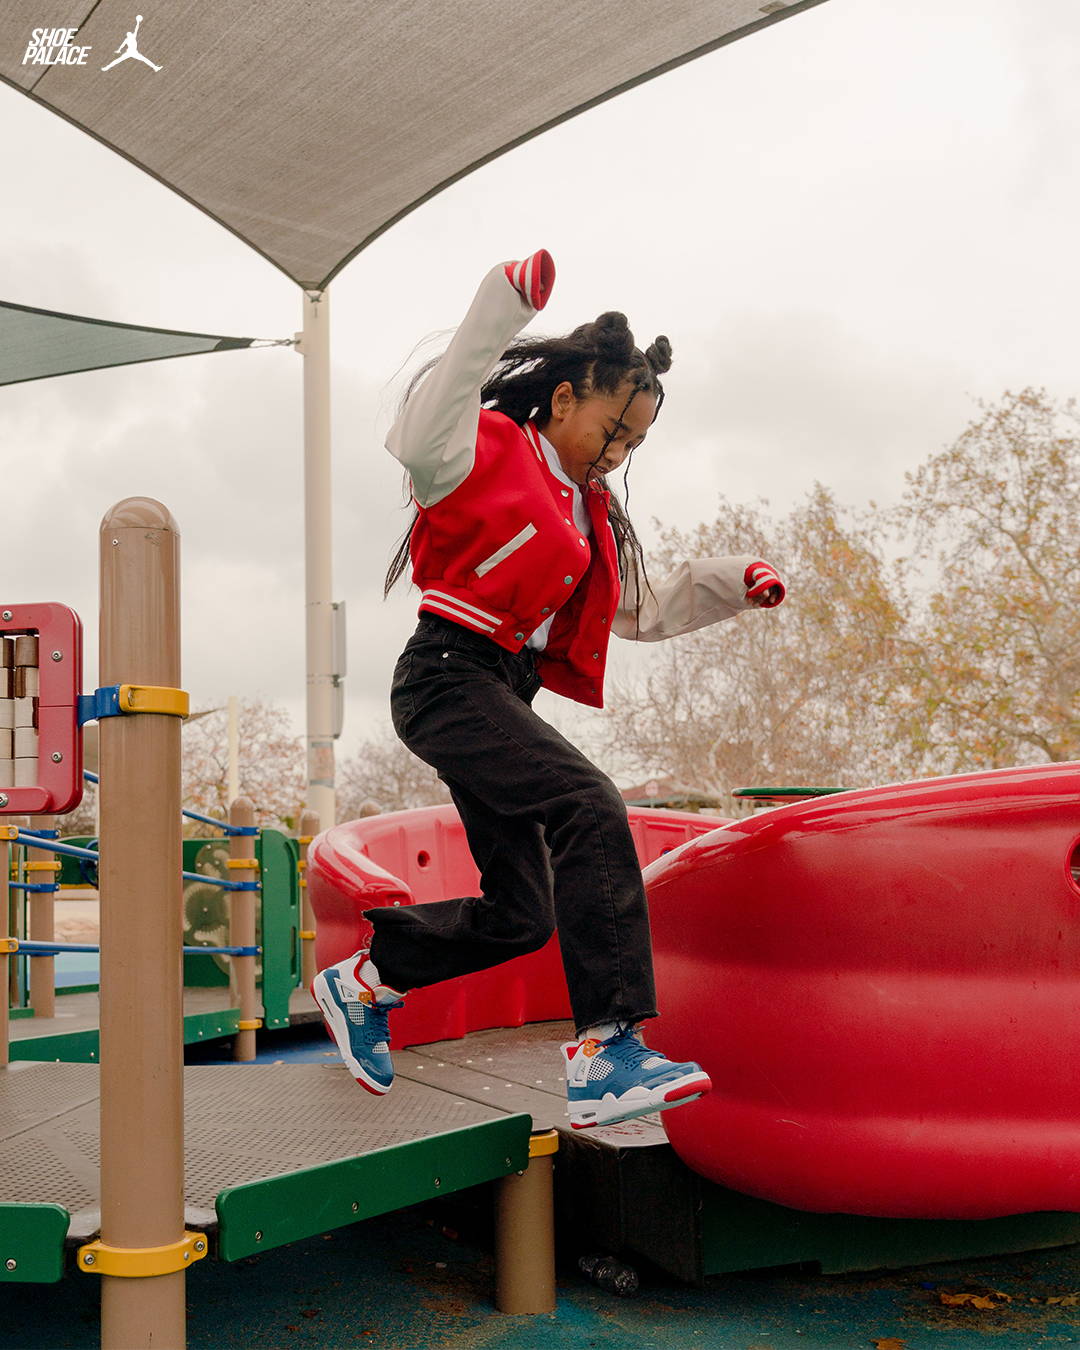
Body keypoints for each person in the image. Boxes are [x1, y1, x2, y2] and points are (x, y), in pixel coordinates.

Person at [313, 250, 785, 1130]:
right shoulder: (487, 450)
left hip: (503, 692)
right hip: (446, 676)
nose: (619, 454)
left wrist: (732, 583)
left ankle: (367, 980)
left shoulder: (589, 514)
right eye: (612, 432)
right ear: (566, 399)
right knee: (589, 804)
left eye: (635, 444)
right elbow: (422, 433)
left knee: (522, 914)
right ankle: (608, 1049)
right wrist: (497, 309)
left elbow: (634, 608)